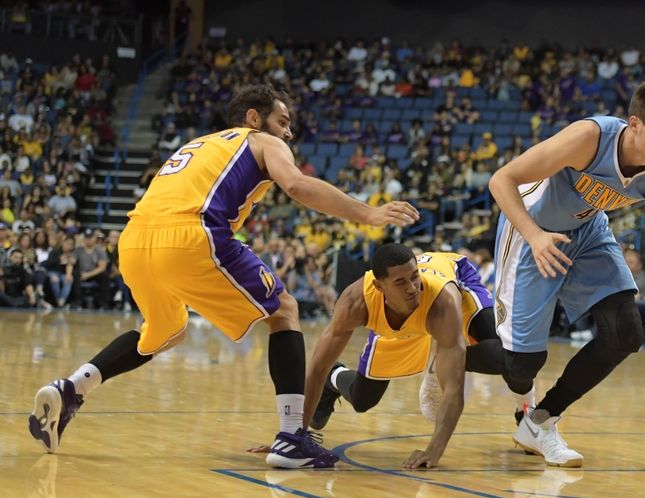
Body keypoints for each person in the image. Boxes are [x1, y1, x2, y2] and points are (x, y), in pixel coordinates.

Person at [28, 85, 419, 469]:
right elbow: (297, 185)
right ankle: (291, 437)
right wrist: (368, 213)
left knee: (165, 330)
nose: (288, 132)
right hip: (191, 234)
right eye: (282, 121)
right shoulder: (261, 141)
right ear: (254, 117)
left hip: (133, 241)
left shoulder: (200, 144)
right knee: (283, 310)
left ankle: (73, 387)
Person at [486, 80, 645, 467]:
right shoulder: (589, 137)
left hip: (587, 232)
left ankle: (540, 420)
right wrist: (534, 236)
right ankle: (455, 354)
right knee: (522, 365)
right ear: (635, 124)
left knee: (626, 334)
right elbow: (501, 180)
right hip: (533, 226)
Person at [301, 245, 497, 469]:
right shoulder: (355, 302)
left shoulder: (443, 304)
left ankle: (526, 411)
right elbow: (317, 367)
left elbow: (453, 389)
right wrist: (294, 436)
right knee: (362, 400)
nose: (413, 288)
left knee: (508, 360)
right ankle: (335, 376)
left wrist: (433, 451)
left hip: (447, 291)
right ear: (379, 286)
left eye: (415, 277)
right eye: (400, 282)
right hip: (395, 322)